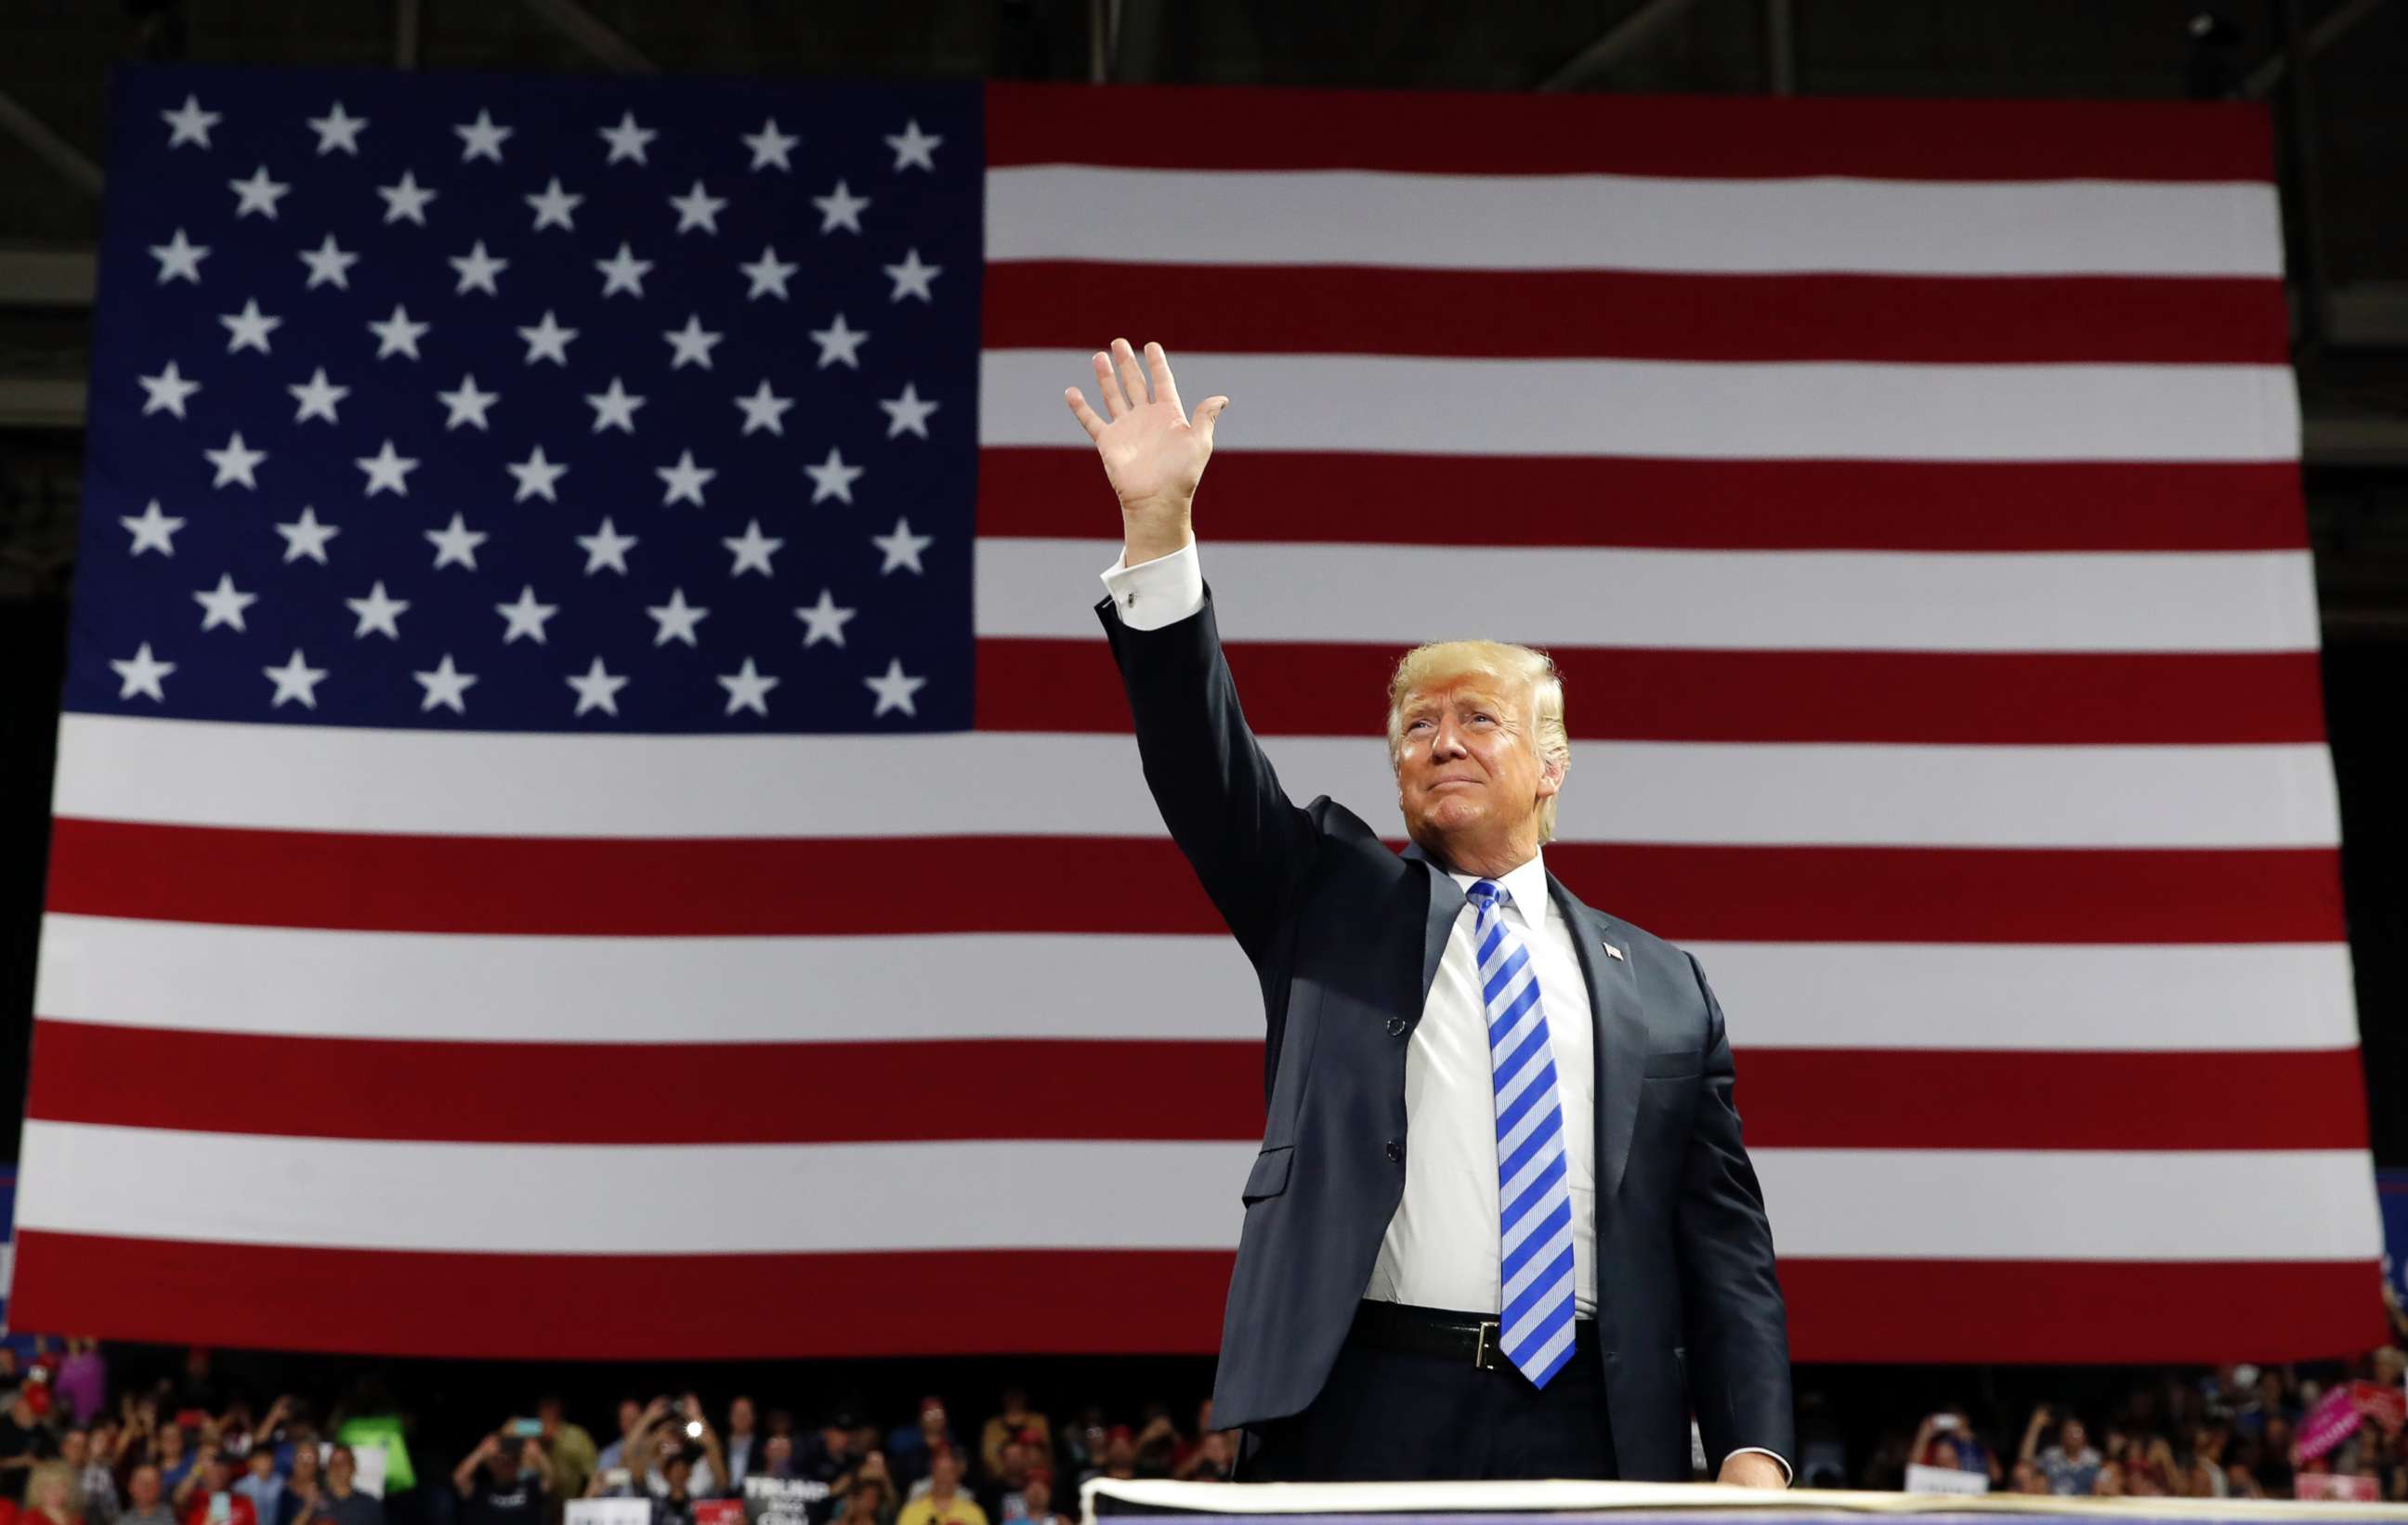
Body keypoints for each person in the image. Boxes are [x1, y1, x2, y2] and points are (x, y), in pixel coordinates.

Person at [1070, 338, 1793, 1485]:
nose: (1441, 740)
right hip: (1363, 1405)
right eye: (1415, 726)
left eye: (1479, 718)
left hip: (1598, 1419)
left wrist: (1754, 1443)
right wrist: (1158, 530)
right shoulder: (1327, 895)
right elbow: (1201, 763)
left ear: (1552, 763)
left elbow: (1724, 1241)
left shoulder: (1665, 985)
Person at [453, 1435, 550, 1525]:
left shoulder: (530, 1486)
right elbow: (459, 1478)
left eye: (513, 1459)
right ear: (489, 1465)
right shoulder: (480, 1490)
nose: (507, 1464)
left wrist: (538, 1455)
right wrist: (481, 1452)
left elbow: (549, 1479)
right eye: (500, 1459)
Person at [294, 1447, 379, 1525]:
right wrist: (308, 1508)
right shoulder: (313, 1499)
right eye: (332, 1463)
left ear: (353, 1467)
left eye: (343, 1462)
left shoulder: (369, 1504)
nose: (337, 1467)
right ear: (327, 1469)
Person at [892, 1454, 981, 1525]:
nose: (944, 1477)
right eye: (940, 1471)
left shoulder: (973, 1512)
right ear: (932, 1474)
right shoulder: (911, 1511)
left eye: (949, 1472)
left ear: (957, 1476)